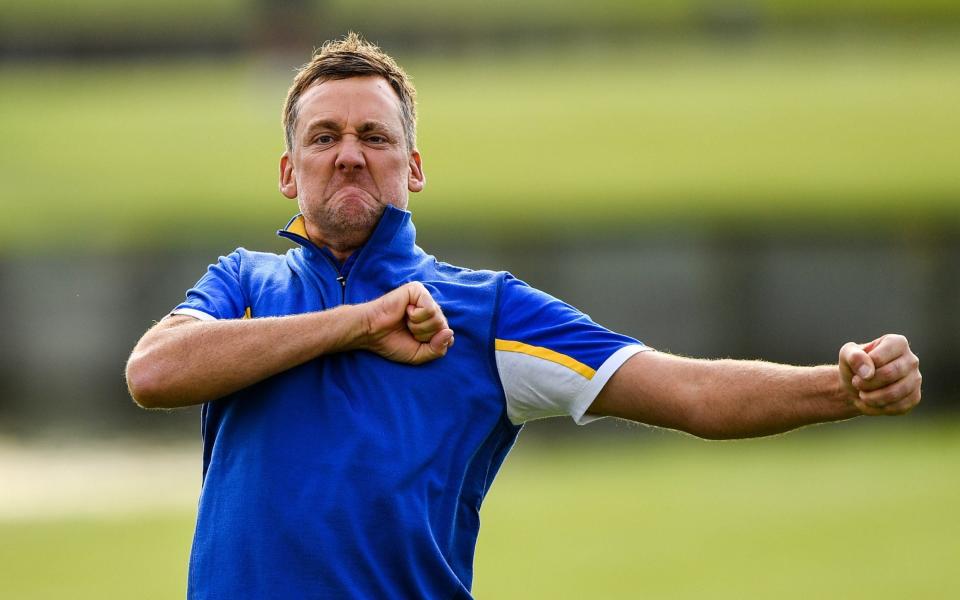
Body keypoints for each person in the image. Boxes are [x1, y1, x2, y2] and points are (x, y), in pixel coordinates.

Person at [125, 33, 922, 599]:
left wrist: (839, 389)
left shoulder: (487, 310)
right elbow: (154, 373)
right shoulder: (241, 284)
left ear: (415, 165)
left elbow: (687, 392)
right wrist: (361, 324)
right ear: (287, 172)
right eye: (323, 136)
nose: (349, 153)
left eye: (375, 135)